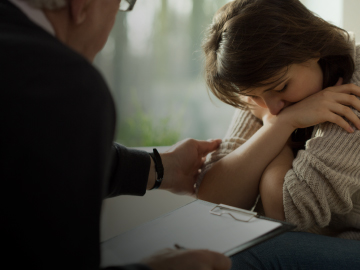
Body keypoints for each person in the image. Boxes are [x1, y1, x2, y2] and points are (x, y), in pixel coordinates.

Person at [0, 0, 232, 269]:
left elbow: (39, 151)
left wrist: (161, 167)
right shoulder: (63, 86)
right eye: (121, 4)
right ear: (83, 5)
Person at [195, 0, 360, 266]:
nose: (271, 107)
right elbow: (213, 201)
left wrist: (276, 127)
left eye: (282, 86)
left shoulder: (354, 90)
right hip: (317, 246)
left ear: (313, 48)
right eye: (253, 96)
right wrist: (282, 124)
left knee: (237, 254)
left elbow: (286, 213)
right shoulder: (263, 88)